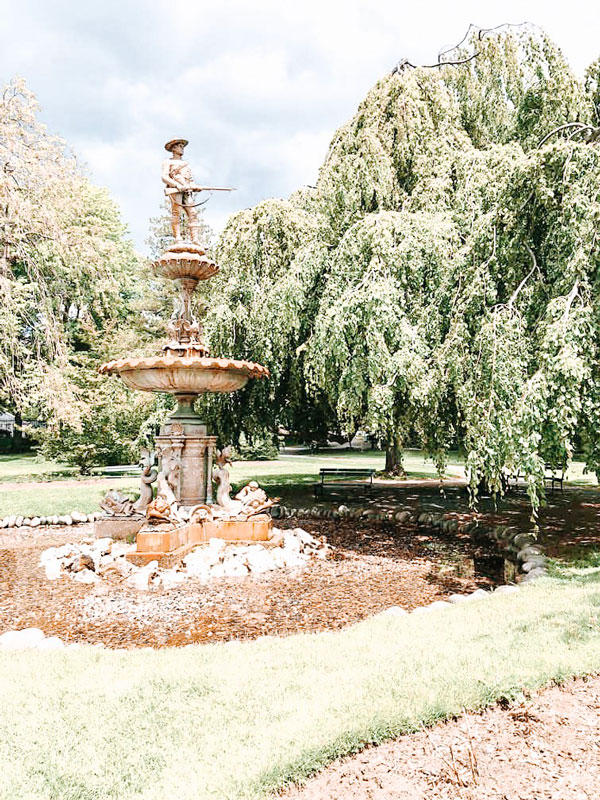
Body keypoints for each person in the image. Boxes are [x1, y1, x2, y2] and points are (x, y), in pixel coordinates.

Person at [162, 138, 203, 244]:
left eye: (182, 146)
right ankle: (178, 238)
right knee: (176, 212)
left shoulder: (185, 163)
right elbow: (164, 177)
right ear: (174, 148)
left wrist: (195, 187)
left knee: (193, 213)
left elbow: (190, 179)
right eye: (180, 146)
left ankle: (195, 239)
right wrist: (176, 185)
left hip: (187, 190)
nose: (182, 148)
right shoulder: (168, 162)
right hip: (176, 190)